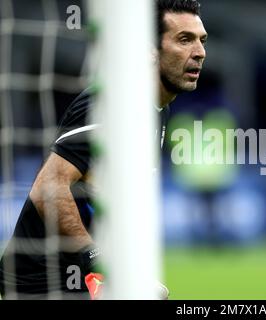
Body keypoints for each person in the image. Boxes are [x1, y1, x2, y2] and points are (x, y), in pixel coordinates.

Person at [0, 0, 207, 300]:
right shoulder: (111, 106)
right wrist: (96, 262)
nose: (199, 52)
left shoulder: (155, 110)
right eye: (184, 39)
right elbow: (49, 186)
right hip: (42, 282)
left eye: (202, 41)